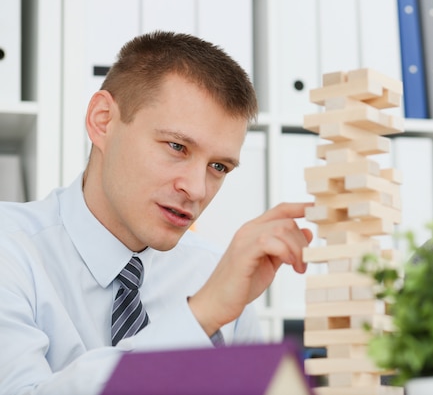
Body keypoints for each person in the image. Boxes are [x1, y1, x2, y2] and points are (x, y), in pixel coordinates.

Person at [0, 31, 313, 395]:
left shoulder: (215, 275)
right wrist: (198, 317)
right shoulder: (10, 250)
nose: (196, 189)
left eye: (219, 167)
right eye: (177, 147)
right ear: (103, 121)